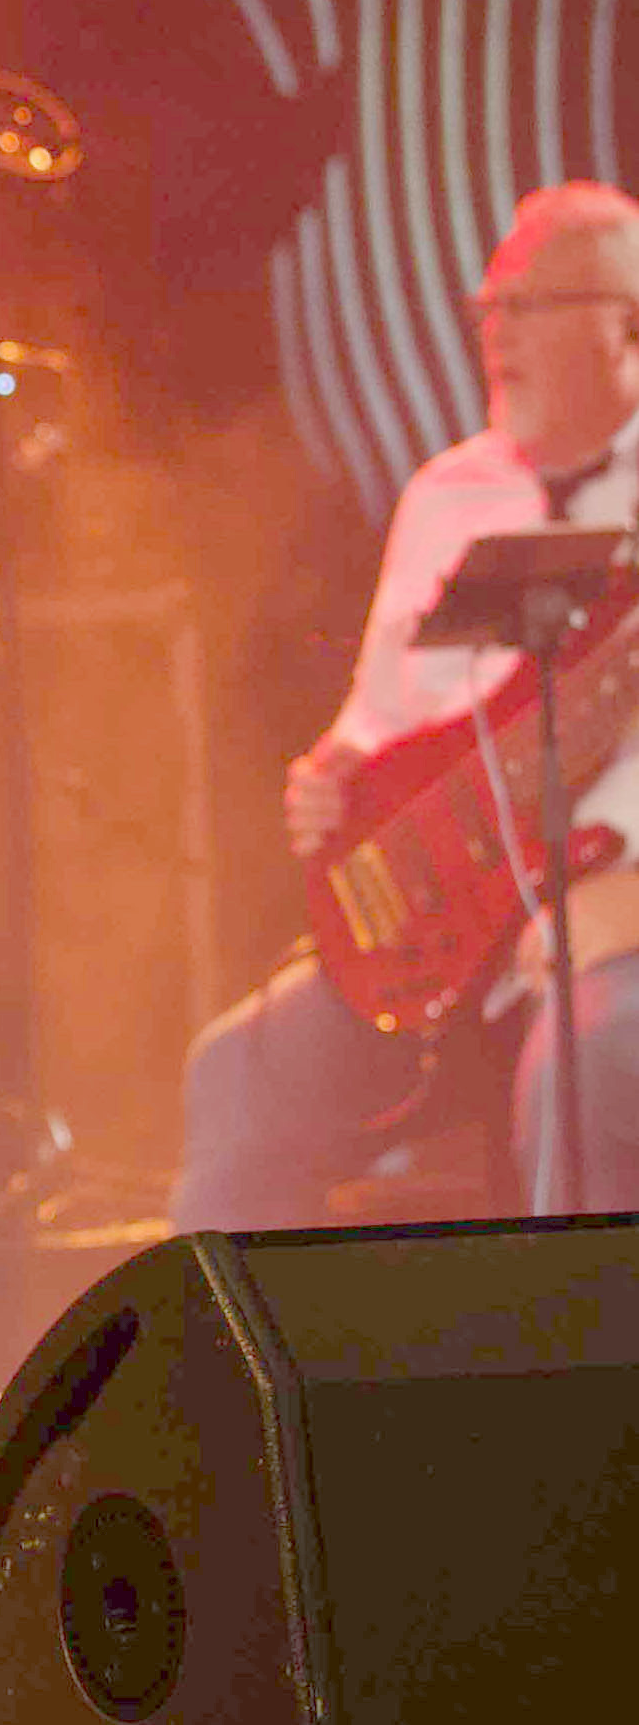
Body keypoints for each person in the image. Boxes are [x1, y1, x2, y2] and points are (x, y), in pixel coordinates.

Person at [174, 183, 639, 1227]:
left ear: (622, 322)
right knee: (235, 1077)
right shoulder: (447, 496)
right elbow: (376, 721)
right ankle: (242, 1387)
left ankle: (579, 1379)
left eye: (527, 306)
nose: (494, 333)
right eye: (487, 309)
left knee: (586, 1065)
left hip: (612, 930)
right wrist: (332, 775)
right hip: (448, 939)